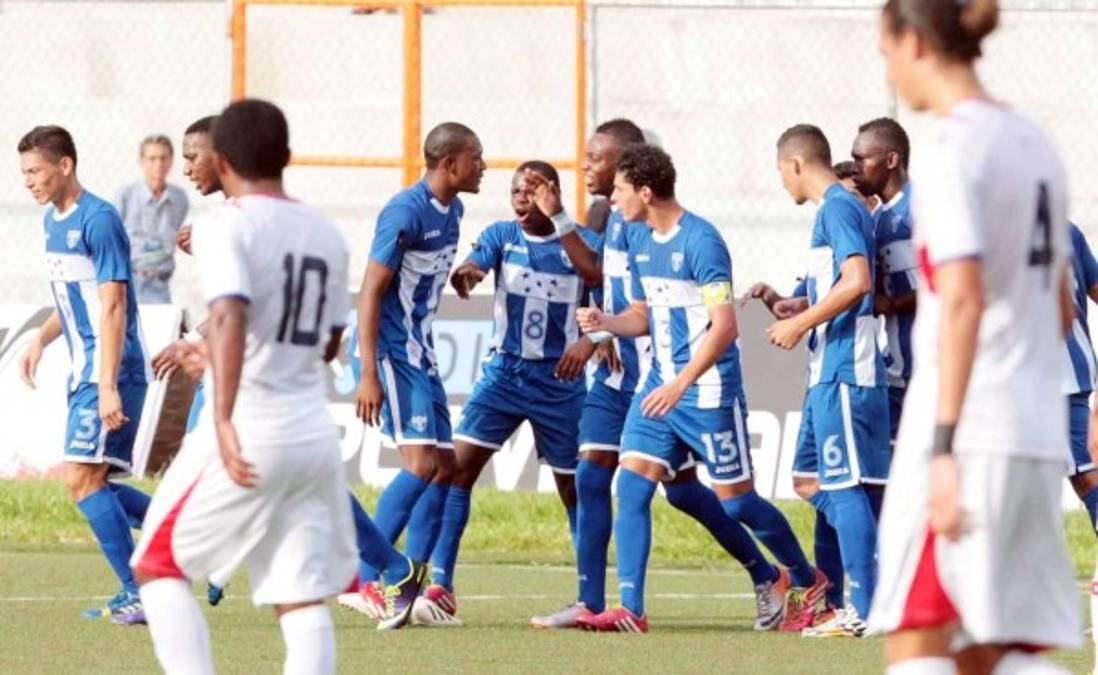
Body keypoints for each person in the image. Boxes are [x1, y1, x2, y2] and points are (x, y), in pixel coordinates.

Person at [869, 2, 1081, 672]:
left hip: (970, 432)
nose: (888, 65)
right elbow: (1063, 309)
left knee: (917, 643)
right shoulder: (1034, 143)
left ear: (912, 41)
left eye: (886, 48)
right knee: (988, 652)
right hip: (1033, 431)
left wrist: (942, 448)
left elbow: (962, 298)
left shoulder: (954, 149)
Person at [130, 99, 367, 675]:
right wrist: (218, 349)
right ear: (286, 157)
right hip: (312, 436)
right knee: (302, 600)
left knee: (157, 568)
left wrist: (222, 414)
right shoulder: (325, 233)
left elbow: (232, 312)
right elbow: (332, 339)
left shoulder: (224, 225)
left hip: (251, 430)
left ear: (225, 159)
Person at [570, 145, 800, 633]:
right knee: (631, 484)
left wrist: (682, 382)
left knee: (737, 502)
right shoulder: (637, 237)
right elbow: (643, 315)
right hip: (660, 387)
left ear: (646, 192)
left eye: (620, 188)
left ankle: (799, 580)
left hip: (708, 390)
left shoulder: (702, 241)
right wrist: (605, 323)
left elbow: (724, 327)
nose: (612, 197)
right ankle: (631, 610)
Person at [411, 161, 601, 625]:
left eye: (531, 190)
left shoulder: (583, 244)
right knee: (455, 471)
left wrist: (592, 340)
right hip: (504, 376)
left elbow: (602, 287)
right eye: (516, 189)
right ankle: (441, 587)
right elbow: (477, 260)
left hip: (561, 383)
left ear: (551, 194)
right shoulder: (502, 235)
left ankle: (587, 598)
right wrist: (469, 273)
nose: (520, 197)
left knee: (573, 489)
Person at [17, 125, 152, 624]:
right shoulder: (53, 220)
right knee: (93, 481)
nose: (28, 181)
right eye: (24, 173)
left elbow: (113, 305)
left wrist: (109, 384)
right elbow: (73, 297)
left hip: (111, 369)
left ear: (65, 165)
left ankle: (141, 591)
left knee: (81, 477)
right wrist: (40, 340)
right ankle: (180, 532)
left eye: (35, 171)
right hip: (85, 371)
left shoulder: (100, 220)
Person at [352, 122, 485, 617]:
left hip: (422, 350)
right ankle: (368, 582)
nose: (484, 167)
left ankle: (409, 581)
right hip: (393, 352)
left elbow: (421, 276)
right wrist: (368, 372)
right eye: (477, 158)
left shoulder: (455, 210)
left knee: (446, 468)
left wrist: (460, 273)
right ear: (450, 164)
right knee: (423, 466)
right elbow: (369, 292)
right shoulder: (403, 212)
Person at [765, 123, 890, 637]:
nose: (783, 183)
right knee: (812, 480)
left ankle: (866, 606)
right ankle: (876, 575)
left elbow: (858, 281)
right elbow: (840, 281)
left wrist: (799, 323)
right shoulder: (835, 210)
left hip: (844, 370)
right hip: (829, 371)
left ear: (796, 164)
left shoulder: (838, 206)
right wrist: (800, 303)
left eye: (780, 172)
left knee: (844, 487)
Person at [851, 117, 916, 448]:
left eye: (862, 158)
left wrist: (893, 304)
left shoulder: (925, 208)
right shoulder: (876, 218)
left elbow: (950, 284)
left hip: (929, 366)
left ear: (891, 160)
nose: (855, 166)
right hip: (894, 364)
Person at [114, 135, 189, 304]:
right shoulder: (125, 195)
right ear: (141, 161)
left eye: (163, 158)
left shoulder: (179, 198)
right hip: (130, 283)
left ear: (171, 161)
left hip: (161, 285)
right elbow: (111, 239)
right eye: (152, 158)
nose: (158, 164)